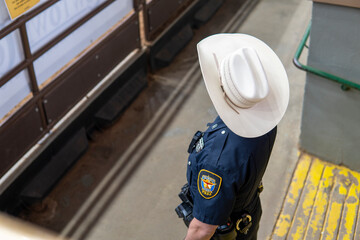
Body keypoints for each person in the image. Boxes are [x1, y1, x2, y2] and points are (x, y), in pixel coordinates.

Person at [183, 33, 289, 240]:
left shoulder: (218, 161)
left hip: (225, 229)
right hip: (248, 212)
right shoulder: (263, 118)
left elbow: (201, 229)